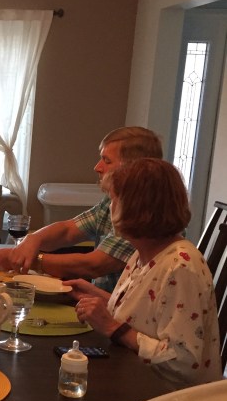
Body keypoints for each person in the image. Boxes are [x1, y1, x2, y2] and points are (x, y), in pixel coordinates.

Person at [71, 158, 222, 388]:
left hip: (165, 399)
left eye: (114, 200)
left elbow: (183, 362)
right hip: (134, 380)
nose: (110, 208)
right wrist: (93, 294)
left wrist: (112, 328)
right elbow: (142, 314)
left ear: (137, 208)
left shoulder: (181, 266)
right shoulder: (144, 252)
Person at [0, 126, 164, 292]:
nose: (97, 167)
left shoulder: (144, 210)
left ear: (132, 167)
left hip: (118, 312)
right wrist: (33, 239)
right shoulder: (111, 200)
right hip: (99, 302)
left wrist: (30, 261)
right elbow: (68, 230)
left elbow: (95, 265)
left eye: (106, 161)